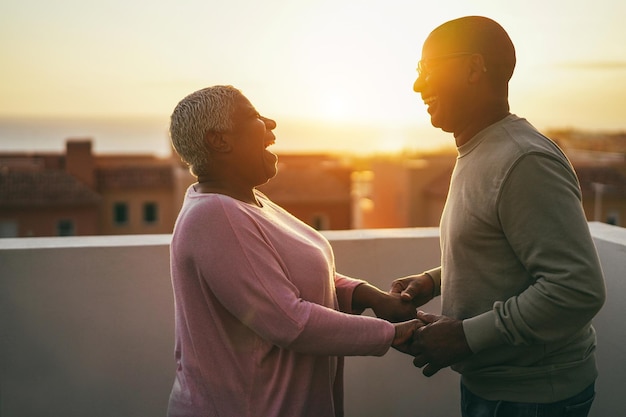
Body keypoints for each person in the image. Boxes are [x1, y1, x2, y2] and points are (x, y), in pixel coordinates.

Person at [390, 16, 606, 417]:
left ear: (474, 68)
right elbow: (501, 247)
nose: (418, 86)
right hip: (497, 389)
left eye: (427, 70)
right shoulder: (479, 149)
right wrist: (434, 280)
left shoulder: (524, 160)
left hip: (534, 399)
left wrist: (466, 337)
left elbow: (577, 288)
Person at [166, 85, 421, 417]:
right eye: (254, 116)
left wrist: (369, 296)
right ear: (220, 140)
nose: (270, 124)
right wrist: (391, 334)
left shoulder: (249, 203)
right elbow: (290, 322)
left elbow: (295, 276)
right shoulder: (214, 215)